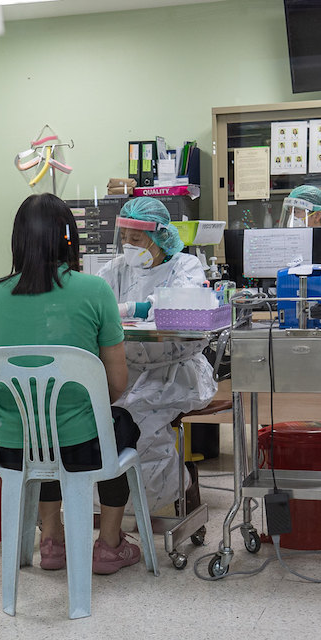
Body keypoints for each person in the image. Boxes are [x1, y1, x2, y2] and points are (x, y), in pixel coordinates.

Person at [0, 193, 144, 574]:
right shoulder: (94, 291)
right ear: (69, 238)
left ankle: (51, 540)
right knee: (120, 425)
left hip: (12, 447)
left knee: (41, 432)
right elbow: (117, 381)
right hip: (82, 445)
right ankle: (109, 544)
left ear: (17, 240)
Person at [98, 197, 217, 512]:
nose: (128, 245)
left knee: (138, 422)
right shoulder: (115, 270)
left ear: (160, 236)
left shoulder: (185, 266)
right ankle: (115, 504)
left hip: (176, 369)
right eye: (124, 237)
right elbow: (94, 303)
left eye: (136, 239)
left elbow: (186, 306)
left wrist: (136, 308)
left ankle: (175, 489)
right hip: (125, 367)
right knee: (102, 422)